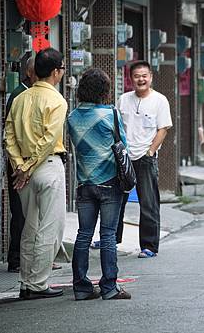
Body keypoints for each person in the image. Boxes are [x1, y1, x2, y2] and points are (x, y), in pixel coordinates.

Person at [5, 47, 67, 299]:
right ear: (55, 72)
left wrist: (20, 166)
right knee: (50, 228)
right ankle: (38, 284)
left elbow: (8, 136)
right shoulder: (57, 100)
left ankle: (25, 282)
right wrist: (29, 166)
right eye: (62, 69)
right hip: (47, 167)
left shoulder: (20, 98)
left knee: (29, 227)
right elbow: (49, 139)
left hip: (23, 173)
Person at [67, 68, 132, 300]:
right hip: (109, 183)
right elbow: (123, 146)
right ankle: (109, 288)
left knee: (83, 234)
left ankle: (82, 288)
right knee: (107, 235)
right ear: (104, 90)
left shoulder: (72, 117)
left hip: (84, 183)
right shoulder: (110, 114)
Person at [117, 60, 172, 258]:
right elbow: (118, 128)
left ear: (150, 77)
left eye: (144, 76)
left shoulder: (160, 100)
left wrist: (150, 152)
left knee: (148, 203)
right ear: (130, 78)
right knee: (117, 200)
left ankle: (149, 246)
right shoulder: (123, 99)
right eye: (137, 76)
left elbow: (163, 129)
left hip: (145, 157)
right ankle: (112, 239)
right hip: (124, 157)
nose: (141, 79)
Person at [5, 57, 37, 273]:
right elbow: (12, 134)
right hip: (20, 163)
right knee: (21, 212)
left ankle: (28, 257)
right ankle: (16, 259)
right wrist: (20, 165)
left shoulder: (31, 93)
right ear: (30, 72)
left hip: (28, 162)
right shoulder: (20, 94)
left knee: (30, 212)